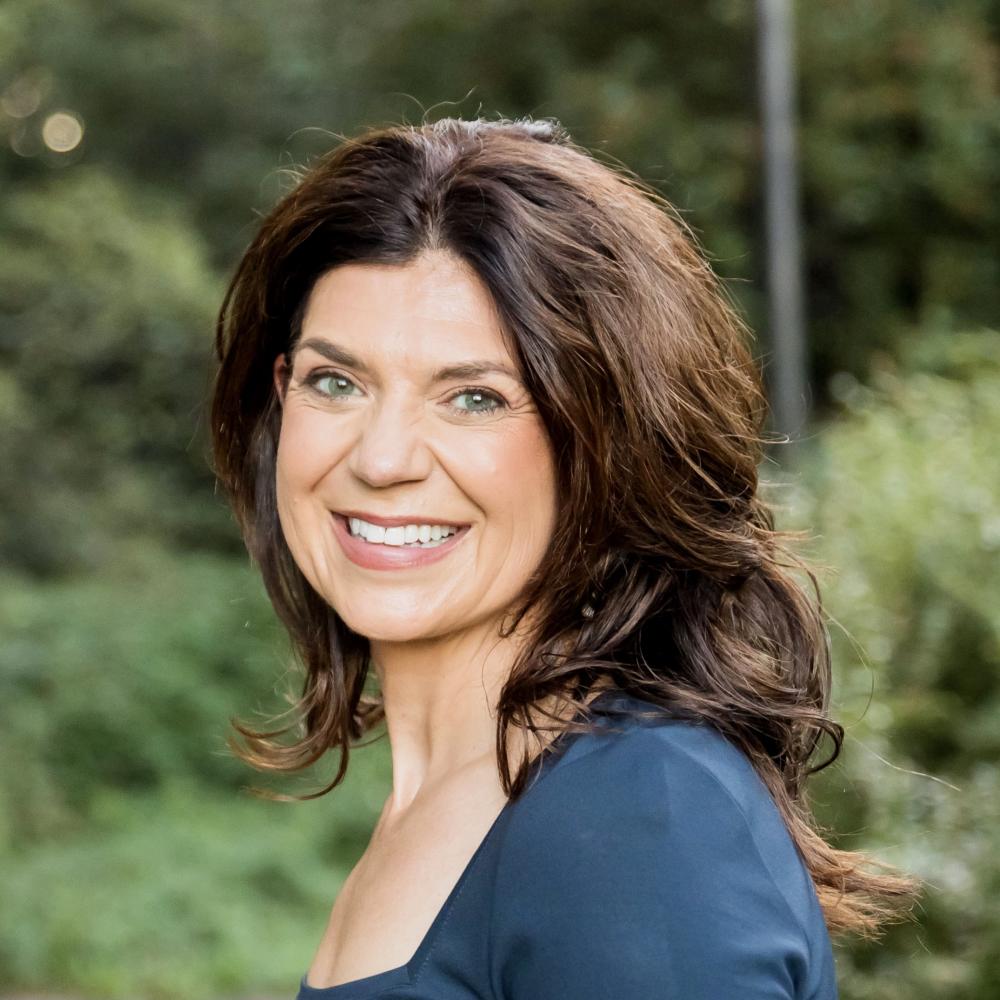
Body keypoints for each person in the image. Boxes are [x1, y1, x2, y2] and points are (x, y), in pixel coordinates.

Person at [210, 116, 920, 999]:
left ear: (603, 441)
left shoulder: (634, 816)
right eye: (336, 382)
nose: (382, 459)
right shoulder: (462, 806)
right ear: (280, 397)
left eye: (474, 397)